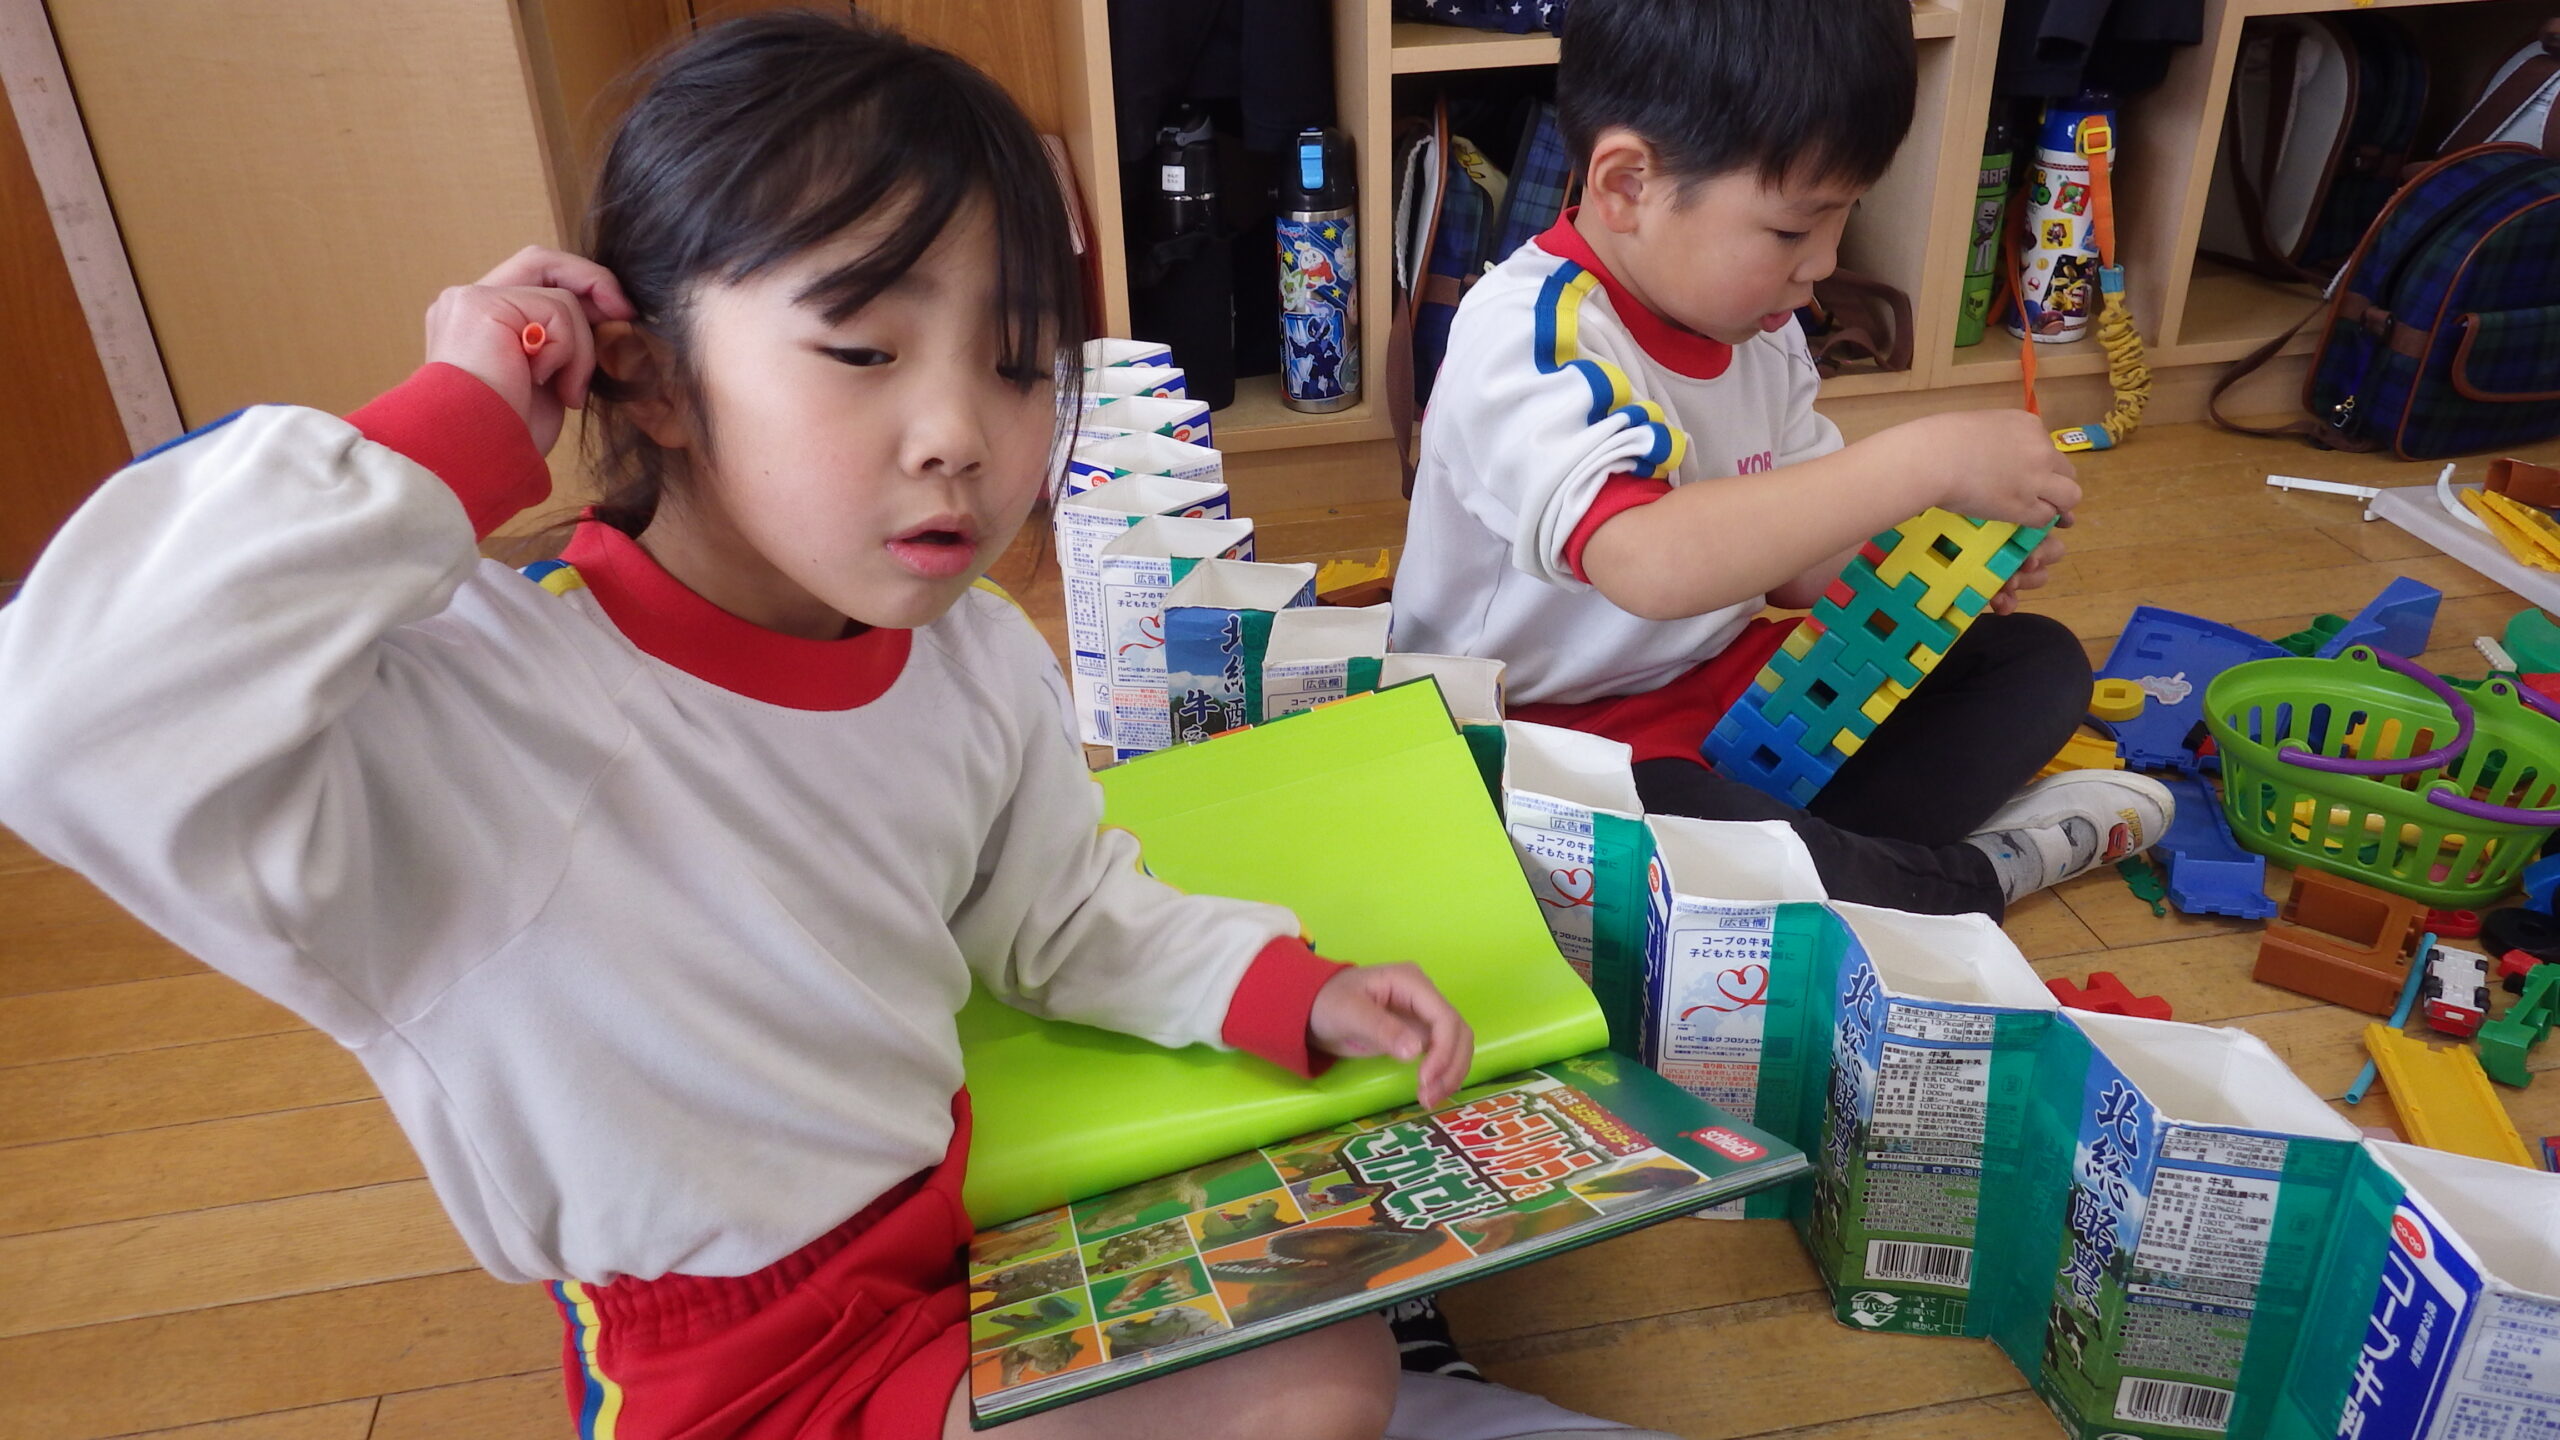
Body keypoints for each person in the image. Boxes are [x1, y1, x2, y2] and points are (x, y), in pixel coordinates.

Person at [0, 15, 1593, 1440]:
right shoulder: (485, 714)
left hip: (966, 1251)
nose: (960, 433)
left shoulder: (973, 664)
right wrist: (455, 423)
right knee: (1317, 1389)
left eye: (1017, 362)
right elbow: (65, 715)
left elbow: (1056, 914)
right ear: (652, 381)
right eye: (861, 350)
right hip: (735, 1380)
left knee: (1331, 1354)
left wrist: (1286, 987)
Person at [1393, 0, 2171, 919]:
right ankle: (1965, 876)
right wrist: (1921, 460)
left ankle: (1834, 868)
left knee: (2033, 664)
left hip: (1722, 696)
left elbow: (1802, 568)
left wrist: (1947, 555)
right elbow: (1648, 561)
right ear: (1628, 185)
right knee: (1725, 852)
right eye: (1792, 231)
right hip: (1536, 741)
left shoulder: (1758, 328)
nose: (1822, 265)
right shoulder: (1532, 340)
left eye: (1844, 218)